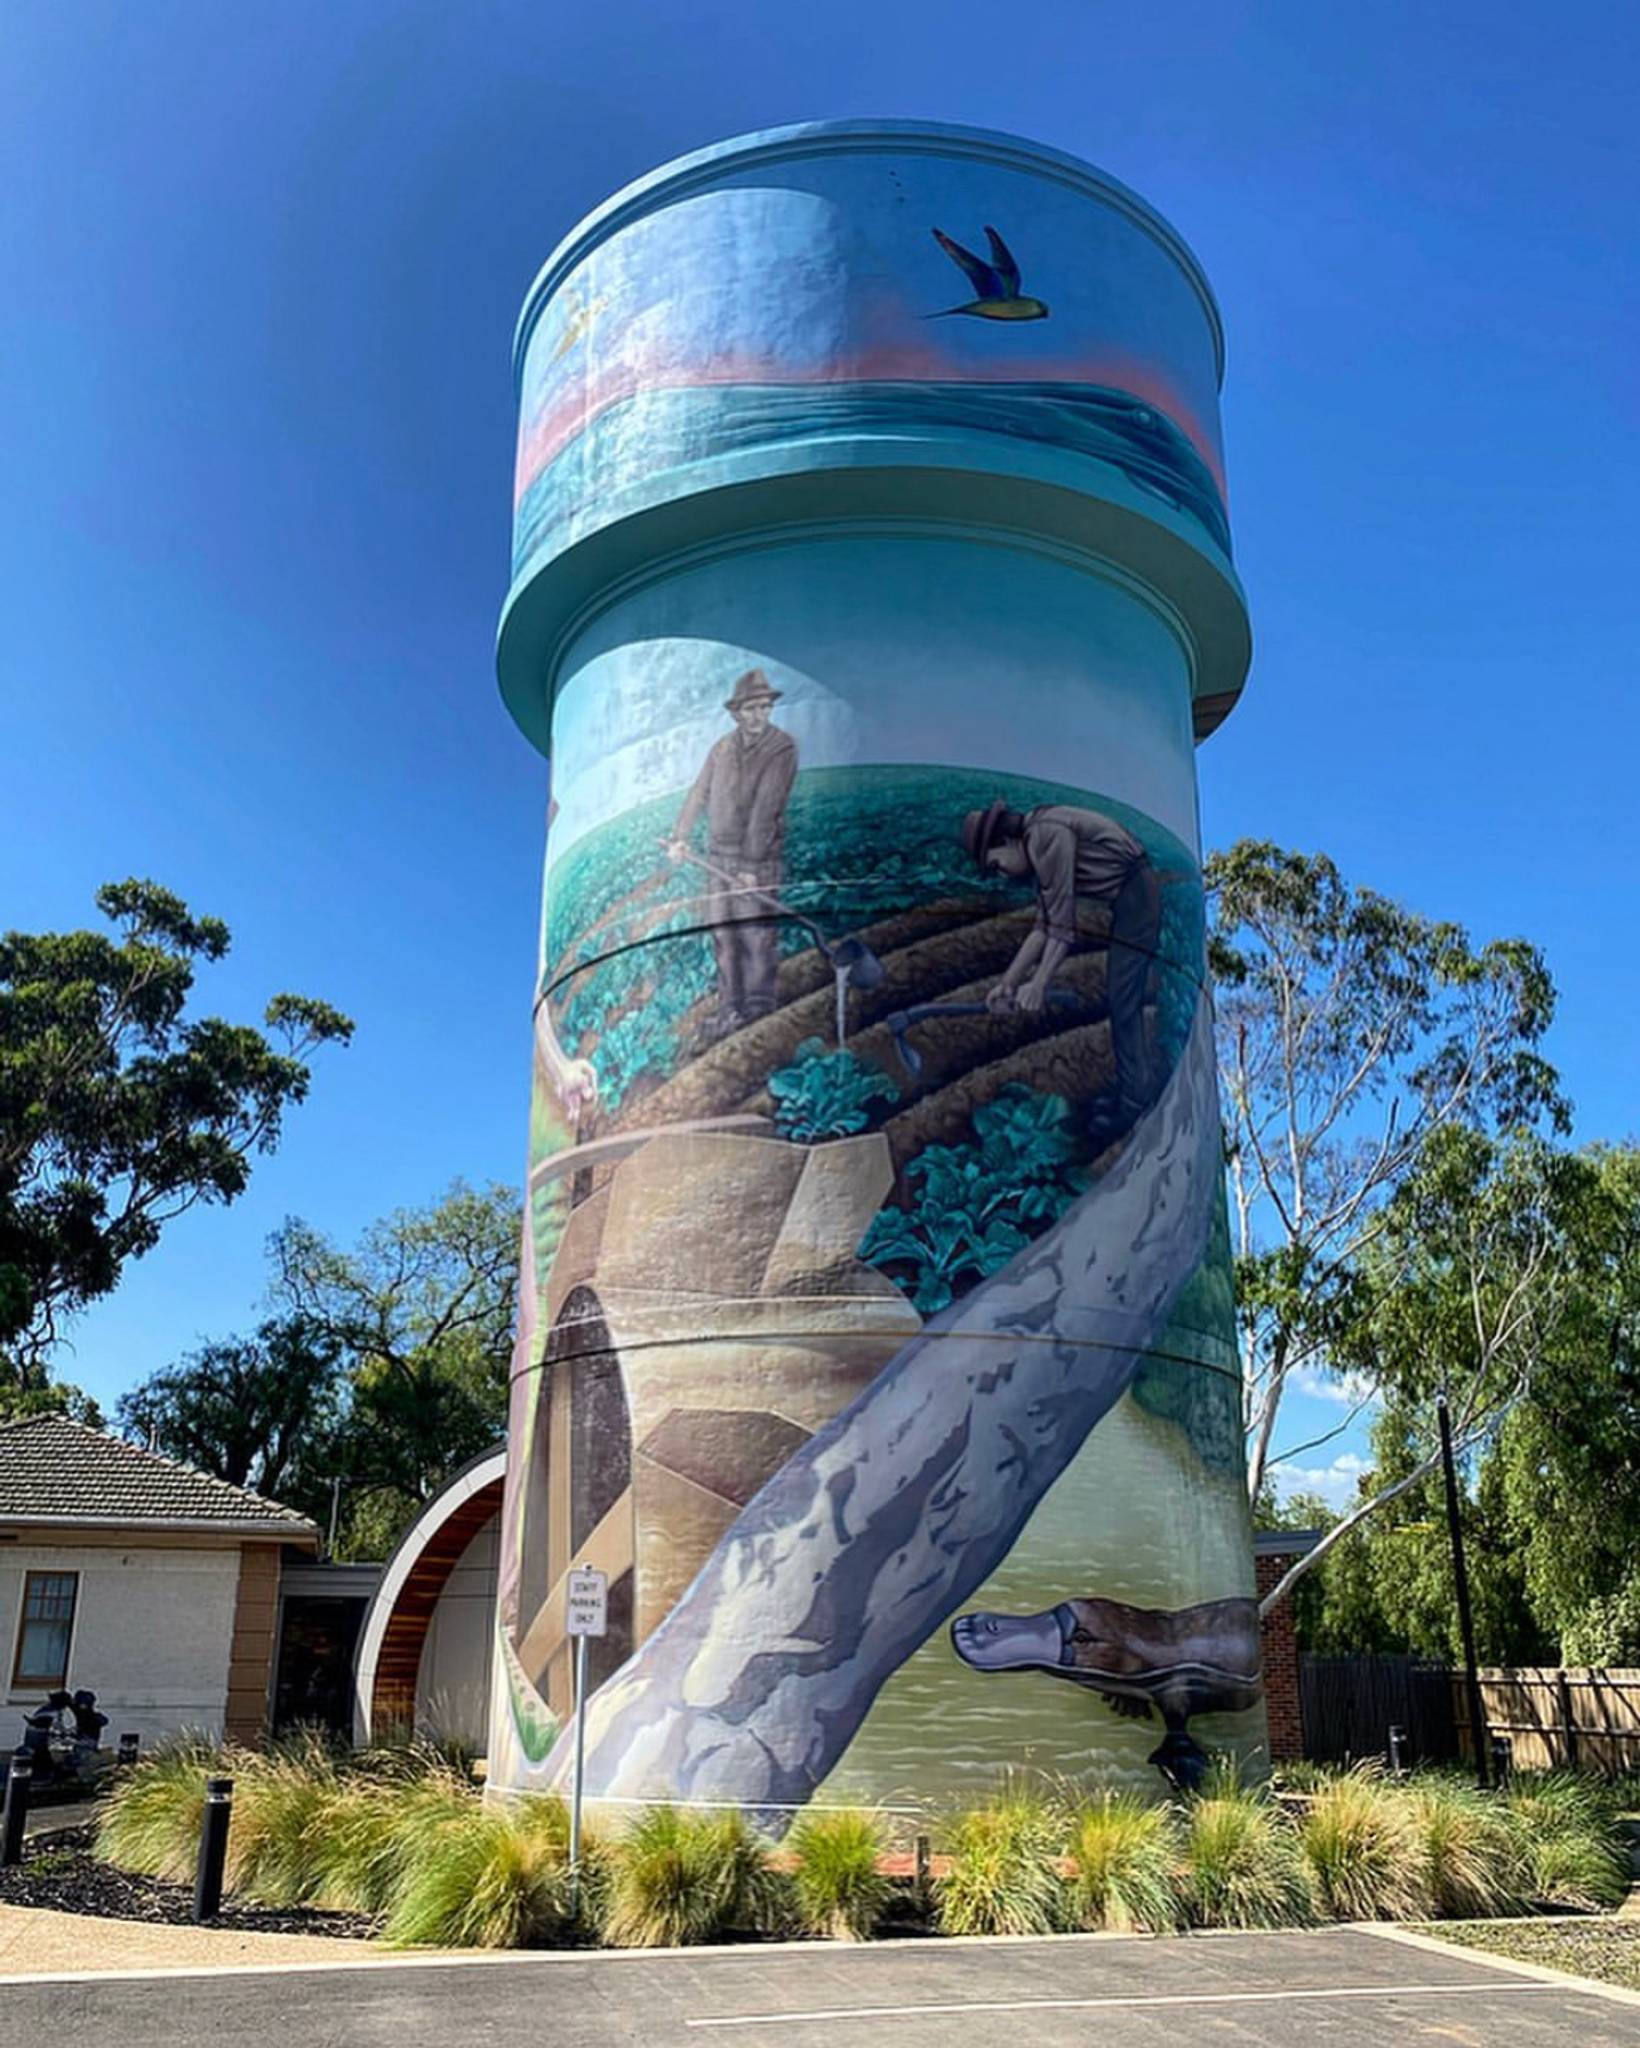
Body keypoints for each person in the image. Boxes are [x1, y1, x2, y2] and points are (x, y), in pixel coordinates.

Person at [960, 797, 1163, 1126]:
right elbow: (1043, 925)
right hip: (1128, 893)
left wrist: (1038, 984)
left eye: (997, 864)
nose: (1002, 875)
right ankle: (1132, 1096)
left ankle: (1135, 1104)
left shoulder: (1045, 834)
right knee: (1120, 997)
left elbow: (1062, 928)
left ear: (1007, 841)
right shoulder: (1038, 838)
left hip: (1137, 893)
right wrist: (1008, 984)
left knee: (1123, 999)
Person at [667, 668, 798, 1031]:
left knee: (755, 934)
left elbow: (766, 807)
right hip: (716, 858)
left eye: (765, 708)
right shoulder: (721, 749)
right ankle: (730, 1008)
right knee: (723, 933)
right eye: (752, 708)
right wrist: (680, 836)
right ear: (736, 712)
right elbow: (699, 793)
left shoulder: (781, 748)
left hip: (756, 860)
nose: (760, 715)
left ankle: (758, 1011)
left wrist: (751, 865)